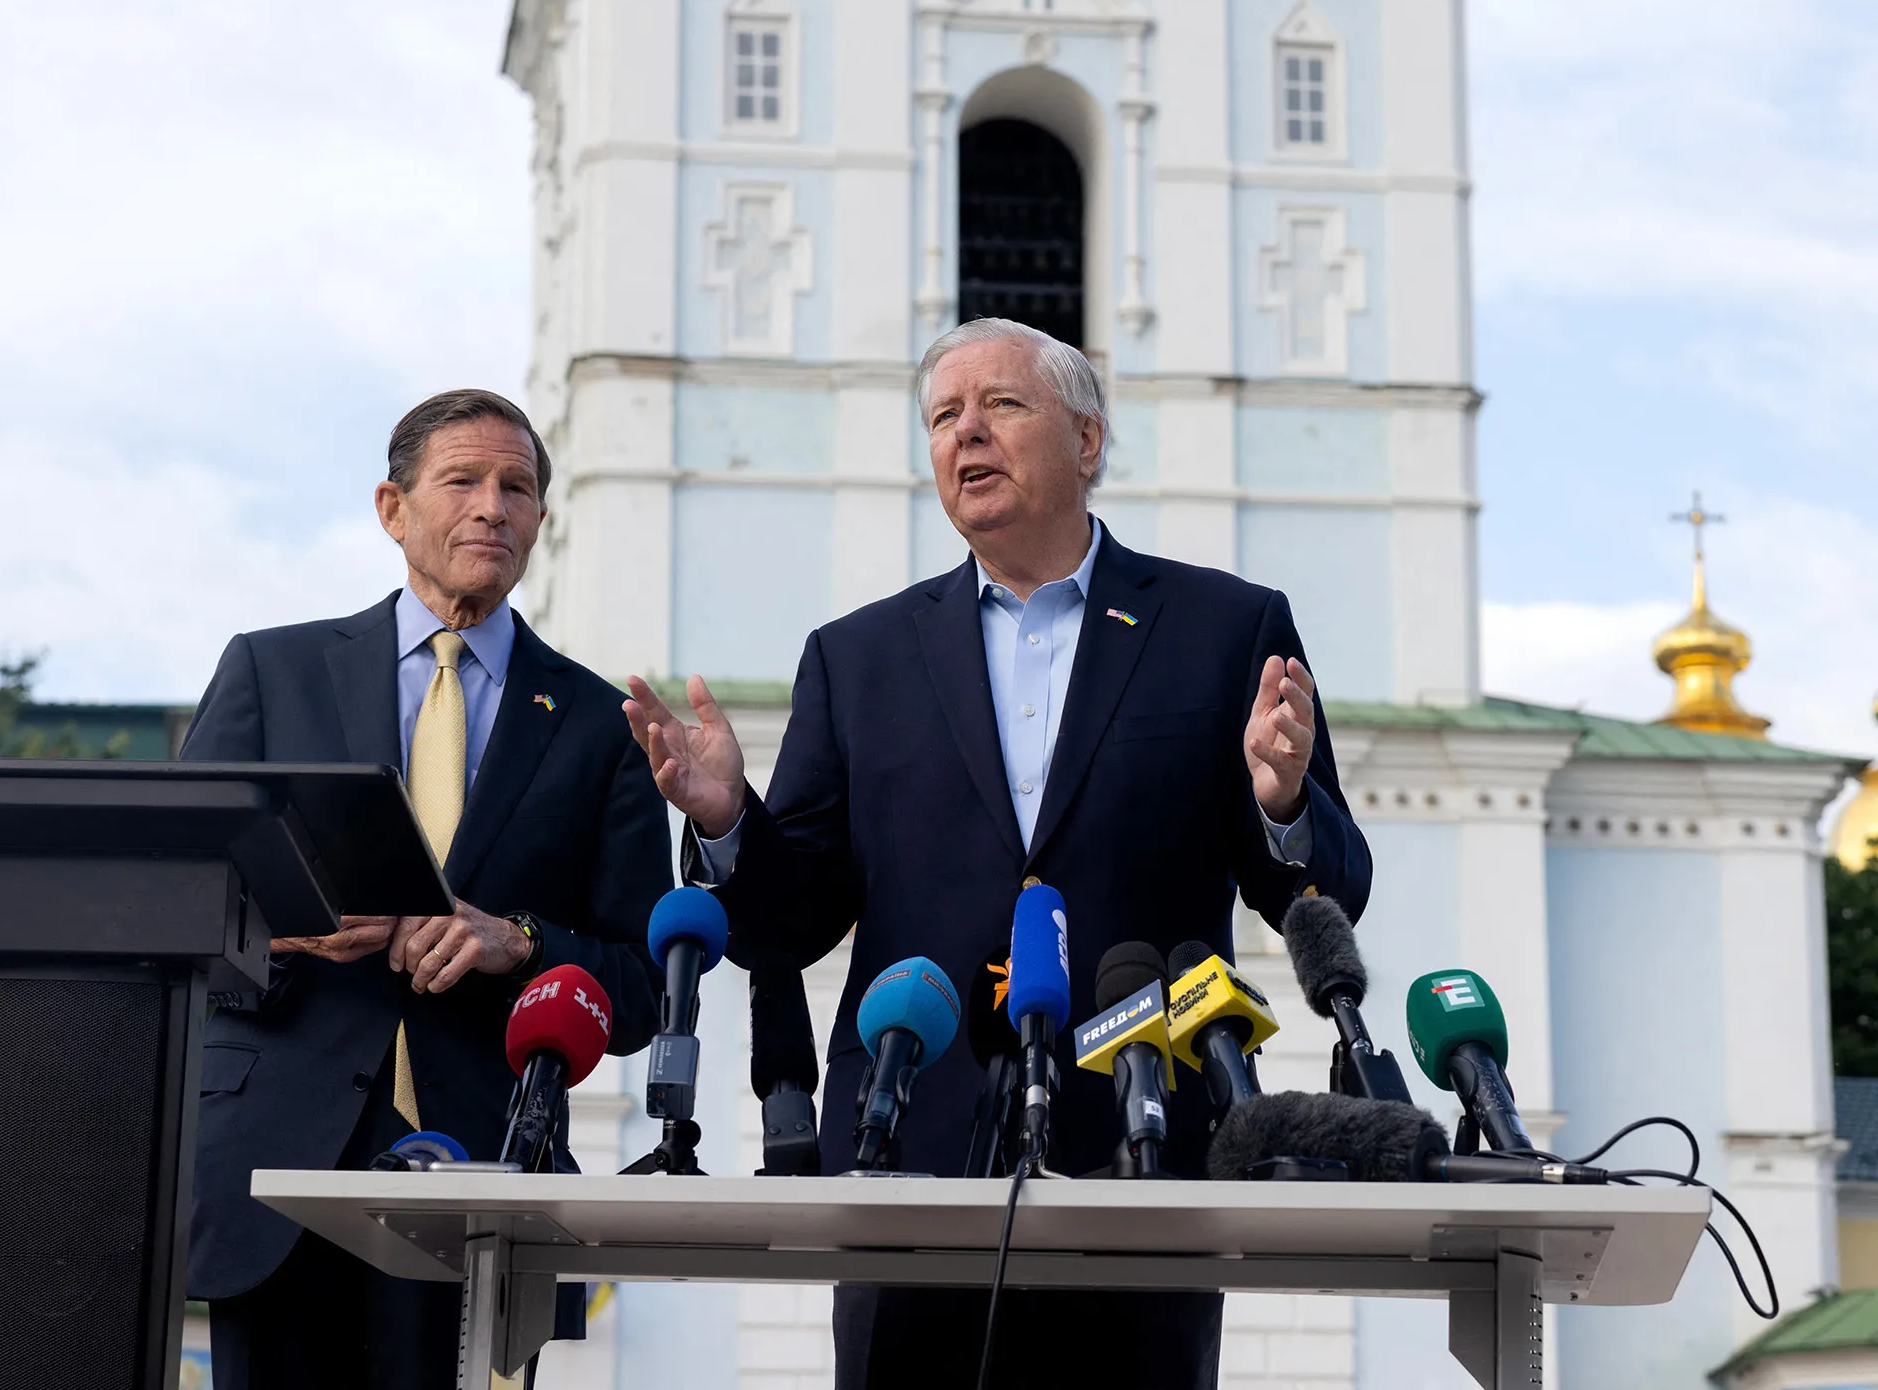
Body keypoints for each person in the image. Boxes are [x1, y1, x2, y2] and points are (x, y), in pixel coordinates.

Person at [623, 318, 1373, 1388]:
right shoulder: (858, 656)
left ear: (1086, 439)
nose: (965, 432)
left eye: (1001, 405)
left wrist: (1283, 798)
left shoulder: (1224, 627)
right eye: (942, 416)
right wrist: (726, 819)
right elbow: (792, 922)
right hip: (906, 1144)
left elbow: (1325, 890)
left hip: (1142, 1145)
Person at [185, 388, 672, 1389]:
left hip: (487, 1175)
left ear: (540, 520)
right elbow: (176, 902)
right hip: (275, 1164)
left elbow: (638, 989)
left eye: (517, 488)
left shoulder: (598, 725)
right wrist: (284, 931)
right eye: (462, 481)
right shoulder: (273, 673)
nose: (492, 506)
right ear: (392, 508)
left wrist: (518, 942)